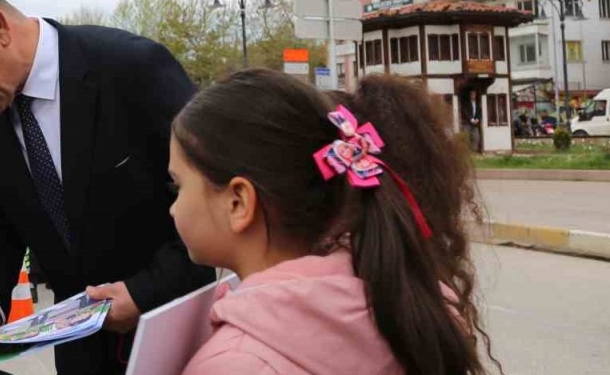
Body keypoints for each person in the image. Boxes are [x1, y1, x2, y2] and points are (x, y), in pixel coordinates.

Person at [0, 0, 213, 375]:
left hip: (175, 338)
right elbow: (1, 223)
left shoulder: (134, 68)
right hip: (78, 353)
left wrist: (144, 293)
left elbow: (214, 201)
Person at [168, 69, 497, 375]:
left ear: (238, 202)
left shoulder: (233, 363)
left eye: (178, 185)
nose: (172, 208)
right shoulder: (404, 299)